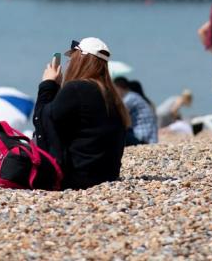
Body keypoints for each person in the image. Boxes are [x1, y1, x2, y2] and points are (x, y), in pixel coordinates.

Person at [33, 37, 129, 190]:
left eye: (72, 59)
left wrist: (48, 84)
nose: (69, 64)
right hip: (108, 174)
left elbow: (41, 119)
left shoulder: (76, 88)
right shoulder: (111, 94)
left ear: (81, 60)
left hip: (78, 177)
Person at [114, 77, 157, 145]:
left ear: (118, 87)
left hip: (142, 137)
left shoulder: (130, 98)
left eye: (114, 89)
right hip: (150, 137)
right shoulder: (135, 96)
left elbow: (117, 115)